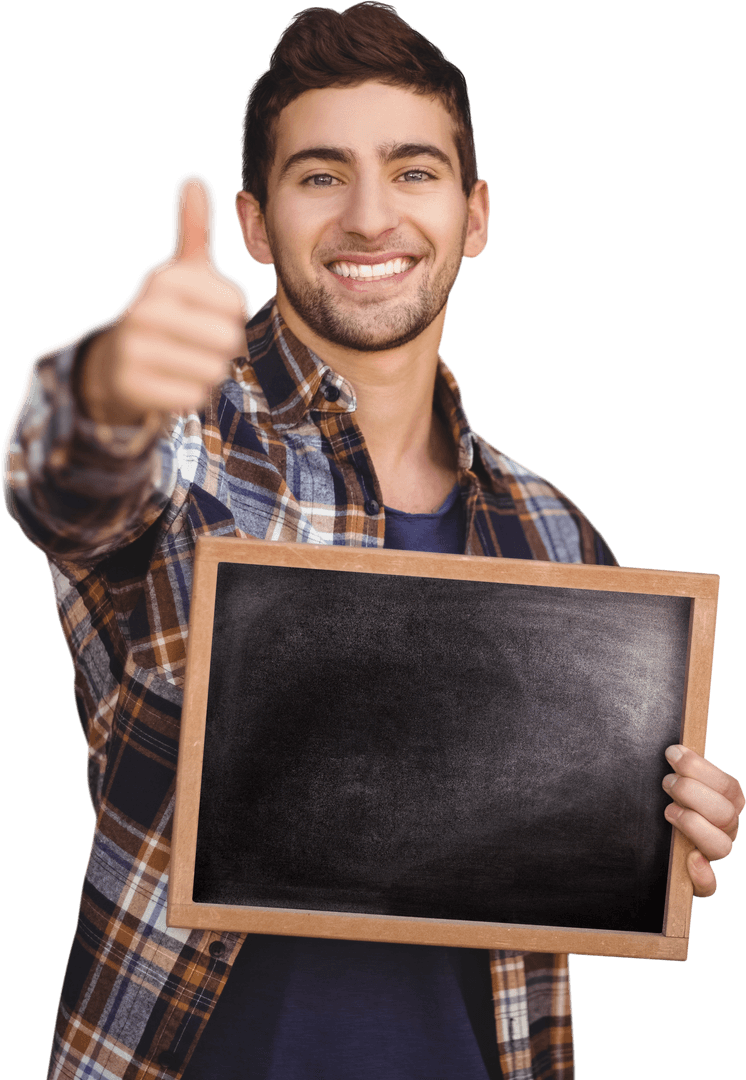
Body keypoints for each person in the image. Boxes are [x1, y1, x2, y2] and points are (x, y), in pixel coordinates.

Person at [3, 4, 742, 1078]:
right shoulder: (178, 446)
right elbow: (55, 482)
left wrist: (658, 823)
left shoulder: (553, 535)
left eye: (410, 172)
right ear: (256, 227)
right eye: (319, 175)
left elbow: (559, 854)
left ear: (473, 213)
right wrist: (110, 382)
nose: (367, 216)